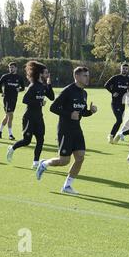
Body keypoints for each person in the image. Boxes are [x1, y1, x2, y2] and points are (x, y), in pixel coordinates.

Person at [36, 67, 98, 195]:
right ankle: (44, 164)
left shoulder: (84, 93)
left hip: (77, 130)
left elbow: (81, 113)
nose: (87, 78)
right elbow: (53, 108)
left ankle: (67, 186)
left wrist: (90, 111)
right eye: (85, 75)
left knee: (80, 157)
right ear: (77, 76)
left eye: (88, 75)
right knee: (64, 161)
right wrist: (69, 114)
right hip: (65, 130)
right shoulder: (68, 91)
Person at [6, 61, 54, 168]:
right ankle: (12, 148)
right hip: (29, 117)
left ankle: (35, 163)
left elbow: (52, 97)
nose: (48, 74)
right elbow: (25, 100)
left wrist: (49, 83)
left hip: (39, 117)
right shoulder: (33, 86)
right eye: (46, 73)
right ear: (40, 74)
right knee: (27, 141)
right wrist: (39, 102)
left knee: (40, 140)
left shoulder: (43, 86)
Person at [0, 62, 25, 140]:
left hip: (14, 99)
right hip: (7, 99)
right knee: (10, 116)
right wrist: (1, 92)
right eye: (10, 67)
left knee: (7, 116)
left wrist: (19, 89)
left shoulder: (19, 77)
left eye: (12, 67)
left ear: (16, 68)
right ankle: (10, 134)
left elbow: (23, 87)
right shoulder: (5, 76)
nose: (11, 69)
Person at [105, 63, 129, 144]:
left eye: (126, 69)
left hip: (122, 103)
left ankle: (116, 135)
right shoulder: (116, 78)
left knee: (121, 121)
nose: (124, 70)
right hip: (115, 103)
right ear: (121, 69)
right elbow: (106, 85)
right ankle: (111, 136)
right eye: (123, 68)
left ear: (128, 70)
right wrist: (113, 92)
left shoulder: (128, 79)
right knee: (119, 120)